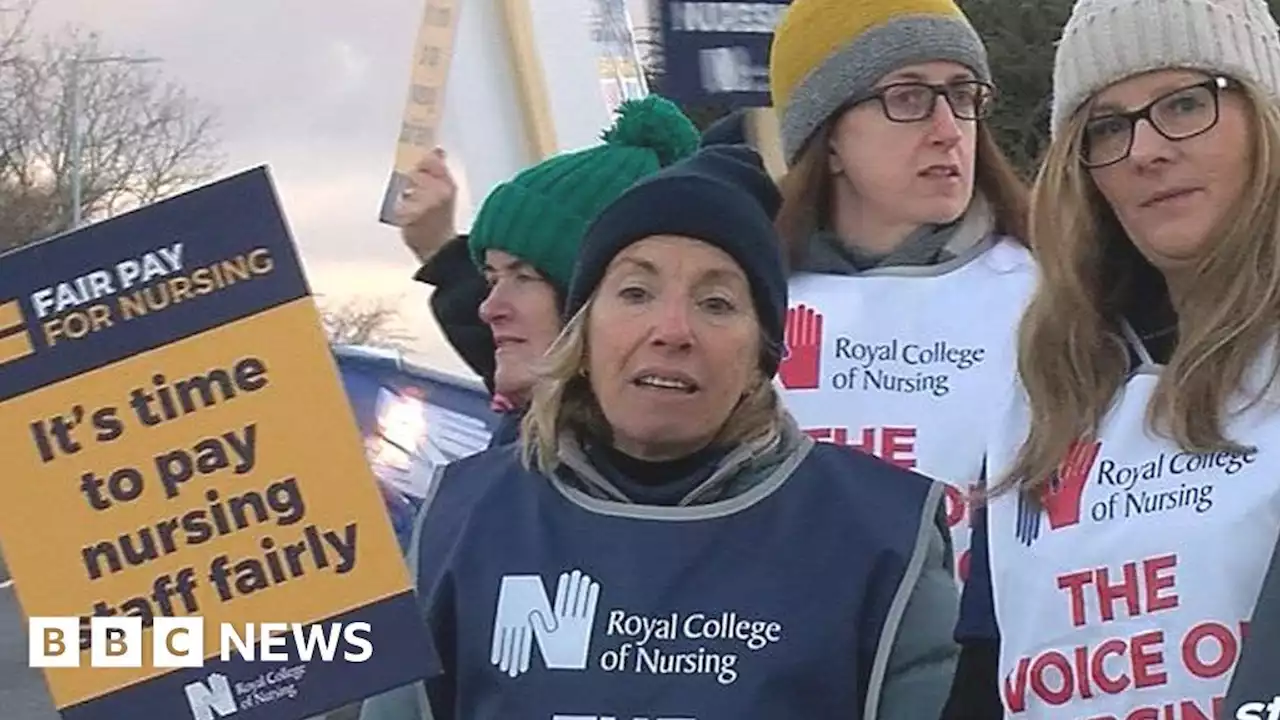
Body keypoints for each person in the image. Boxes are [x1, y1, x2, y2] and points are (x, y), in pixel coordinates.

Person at [359, 144, 961, 720]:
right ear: (584, 334)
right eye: (636, 292)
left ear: (762, 352)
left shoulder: (879, 535)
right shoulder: (464, 519)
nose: (672, 330)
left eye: (717, 303)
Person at [949, 0, 1280, 716]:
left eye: (1188, 103)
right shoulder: (1045, 390)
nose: (1146, 149)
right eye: (1108, 126)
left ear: (1265, 120)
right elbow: (983, 673)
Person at [764, 0, 1036, 586]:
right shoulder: (749, 305)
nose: (947, 131)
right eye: (907, 98)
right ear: (828, 137)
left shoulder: (1049, 293)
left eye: (963, 95)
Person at [392, 95, 701, 447]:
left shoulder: (642, 480)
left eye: (524, 277)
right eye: (492, 279)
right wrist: (438, 248)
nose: (487, 308)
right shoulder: (544, 441)